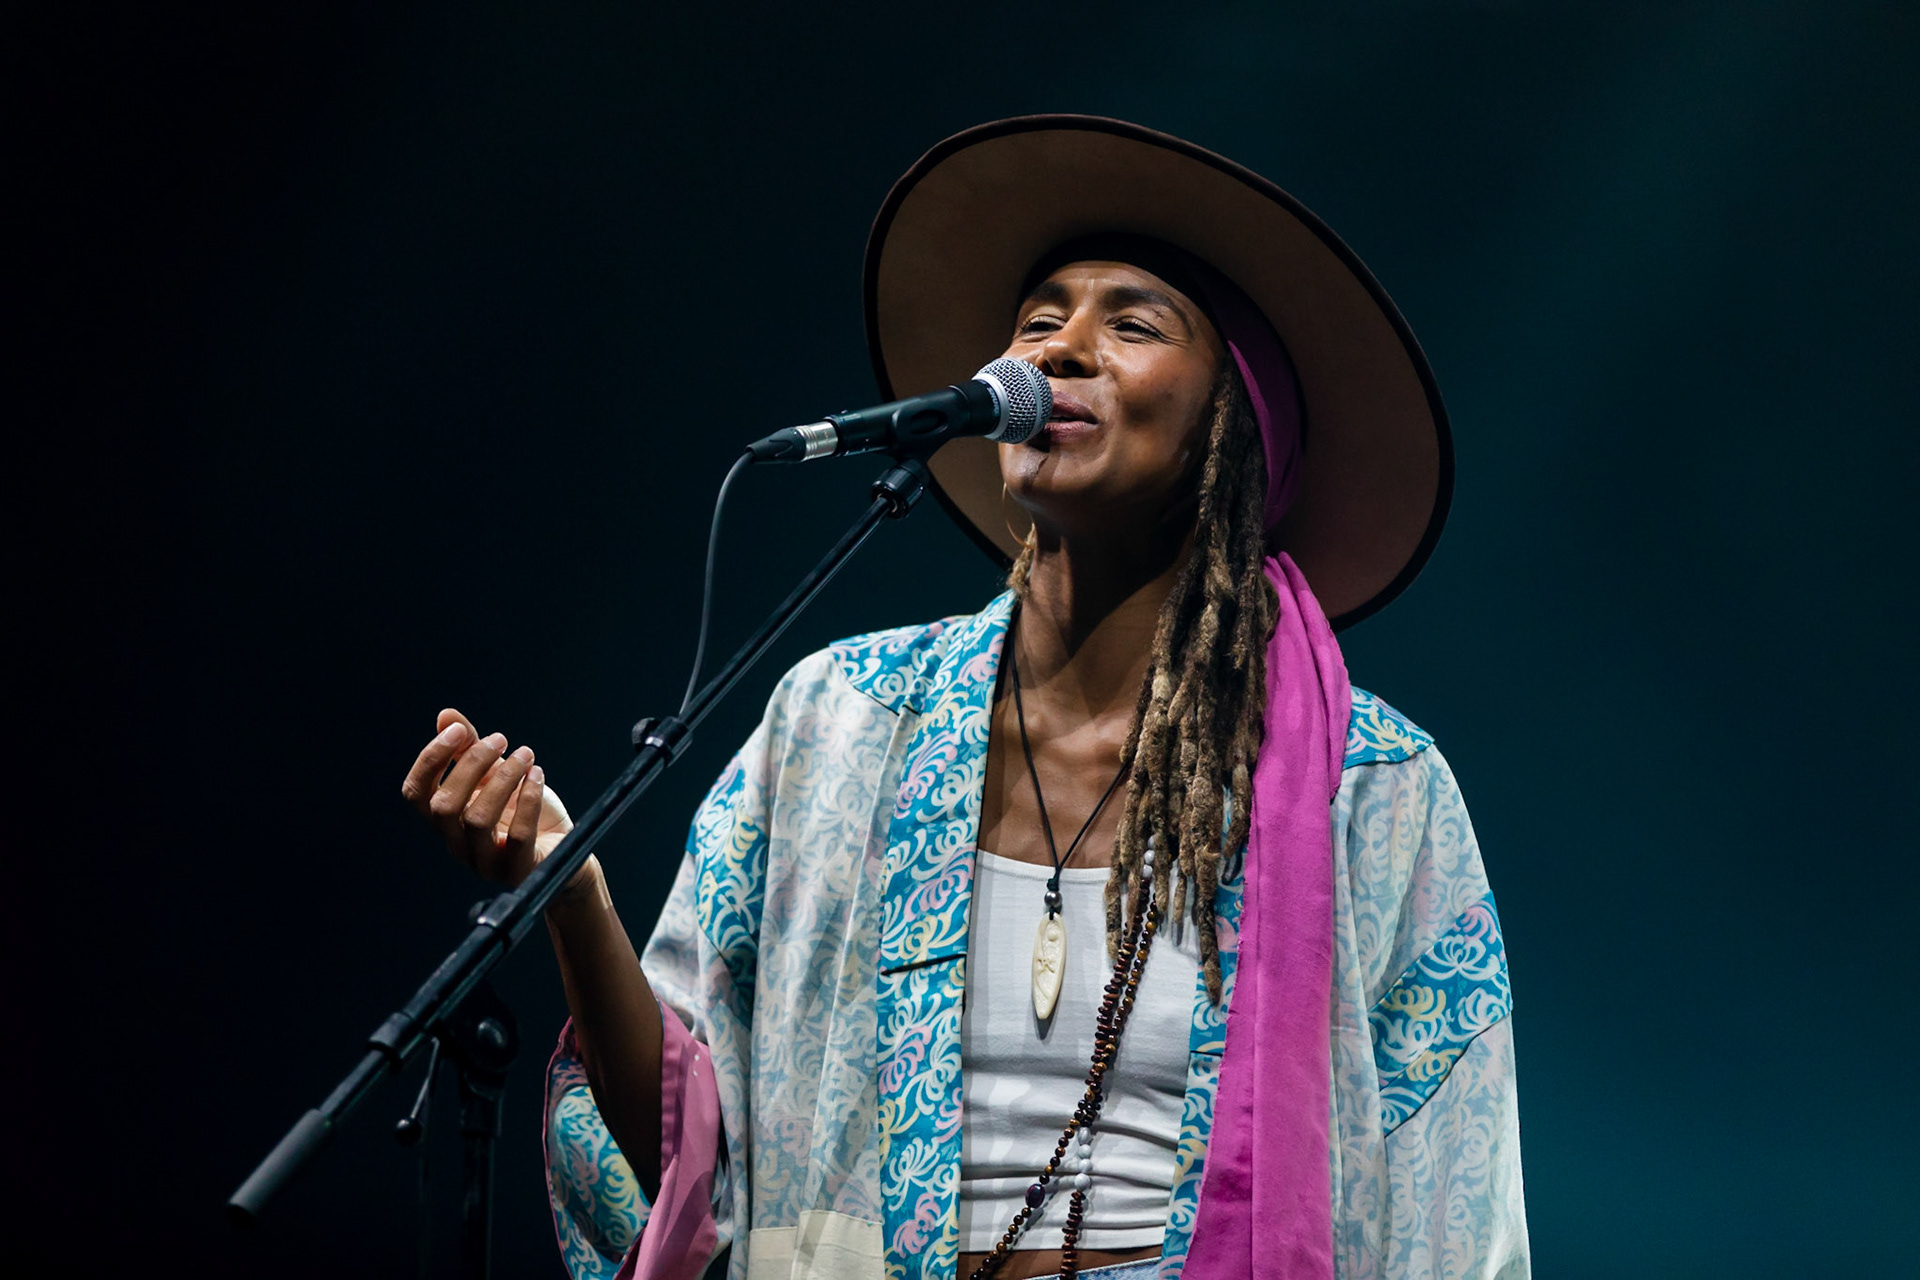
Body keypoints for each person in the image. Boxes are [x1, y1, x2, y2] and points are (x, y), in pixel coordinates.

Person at [399, 117, 1528, 1280]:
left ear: (1240, 428)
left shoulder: (1372, 792)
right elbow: (689, 1167)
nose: (1060, 349)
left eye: (1130, 323)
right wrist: (575, 891)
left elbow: (1456, 1208)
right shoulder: (840, 724)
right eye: (1039, 319)